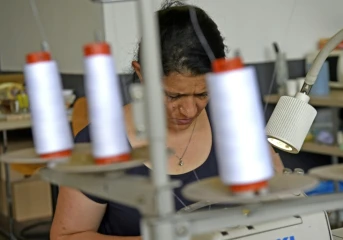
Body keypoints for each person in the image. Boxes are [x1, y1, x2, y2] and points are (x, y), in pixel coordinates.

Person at [50, 2, 284, 240]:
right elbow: (66, 236)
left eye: (203, 94)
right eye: (173, 95)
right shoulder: (98, 142)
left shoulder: (235, 127)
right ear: (141, 73)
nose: (189, 110)